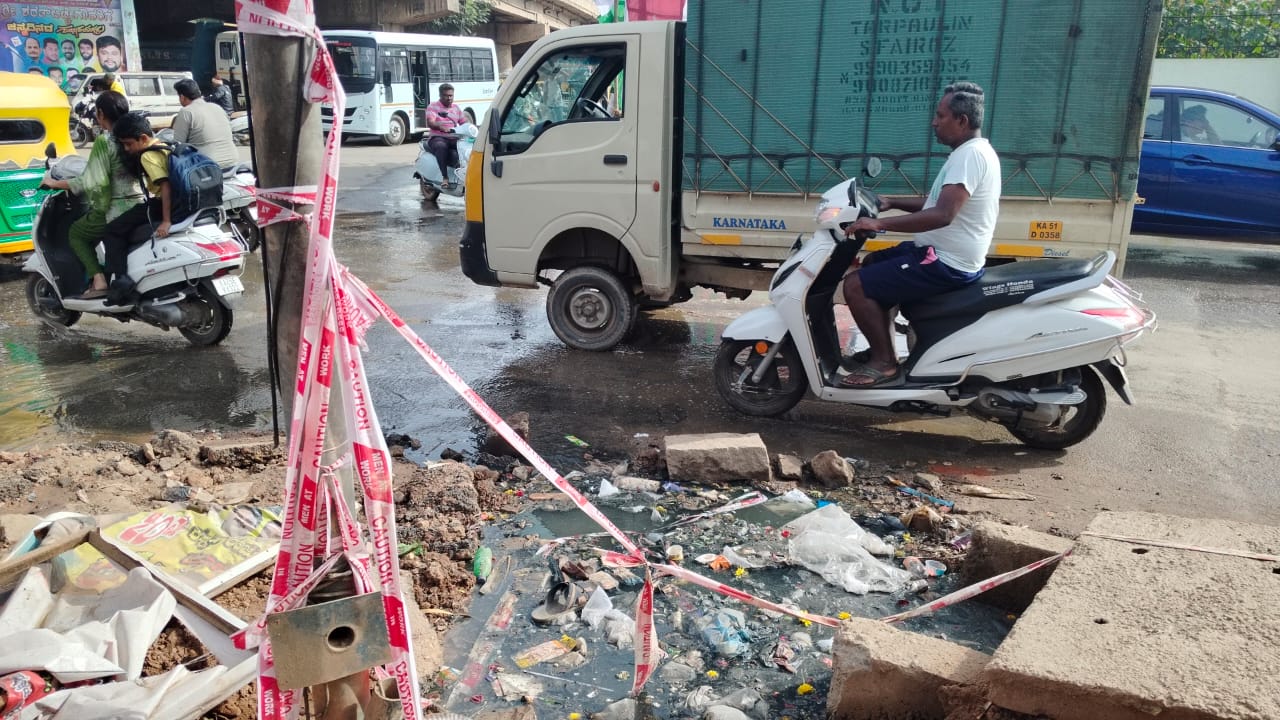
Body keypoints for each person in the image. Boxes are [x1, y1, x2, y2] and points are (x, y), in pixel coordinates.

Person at [838, 81, 1001, 388]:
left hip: (946, 262)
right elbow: (936, 202)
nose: (934, 123)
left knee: (855, 286)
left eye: (940, 116)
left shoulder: (970, 156)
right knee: (872, 264)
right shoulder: (970, 153)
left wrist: (879, 225)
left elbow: (943, 214)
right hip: (936, 254)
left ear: (961, 121)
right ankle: (882, 349)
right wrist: (892, 202)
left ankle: (885, 363)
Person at [41, 91, 141, 299]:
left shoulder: (106, 141)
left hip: (115, 209)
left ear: (101, 113)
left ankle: (98, 279)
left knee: (76, 233)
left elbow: (91, 181)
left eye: (96, 111)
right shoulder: (135, 135)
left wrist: (54, 183)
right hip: (140, 204)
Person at [96, 113, 170, 303]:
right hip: (172, 203)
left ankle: (121, 281)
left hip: (160, 205)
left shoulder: (147, 155)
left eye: (128, 144)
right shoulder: (164, 145)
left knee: (112, 230)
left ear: (143, 138)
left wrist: (166, 220)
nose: (127, 149)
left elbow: (165, 185)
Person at [171, 78, 238, 169]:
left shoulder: (186, 112)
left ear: (182, 97)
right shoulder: (217, 107)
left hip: (206, 167)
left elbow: (178, 145)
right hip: (233, 162)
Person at [425, 83, 468, 189]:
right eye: (446, 96)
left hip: (453, 137)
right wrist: (440, 127)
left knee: (467, 147)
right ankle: (445, 177)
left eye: (451, 95)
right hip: (437, 137)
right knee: (441, 146)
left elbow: (464, 123)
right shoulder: (433, 106)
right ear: (440, 95)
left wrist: (473, 129)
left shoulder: (456, 108)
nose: (449, 98)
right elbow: (431, 122)